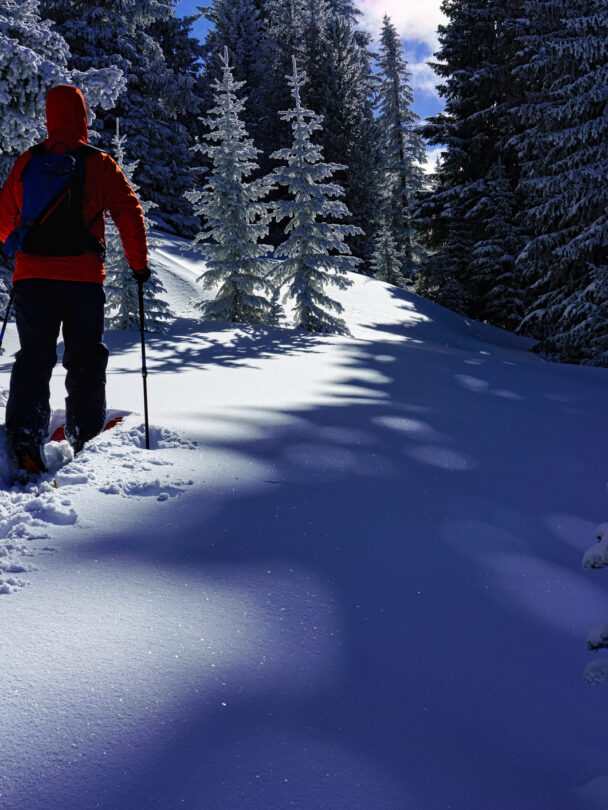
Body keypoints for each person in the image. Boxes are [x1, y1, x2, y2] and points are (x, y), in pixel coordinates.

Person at [0, 84, 149, 475]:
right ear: (82, 115)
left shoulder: (28, 162)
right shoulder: (98, 162)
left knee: (33, 357)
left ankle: (25, 439)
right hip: (82, 279)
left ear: (50, 116)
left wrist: (20, 248)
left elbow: (2, 221)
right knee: (84, 355)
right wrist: (139, 265)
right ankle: (85, 436)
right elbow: (129, 213)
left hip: (32, 277)